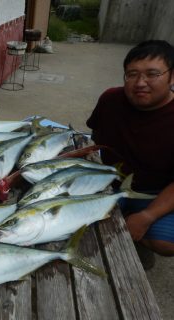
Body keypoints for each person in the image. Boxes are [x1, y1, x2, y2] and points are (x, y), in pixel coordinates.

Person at [87, 40, 174, 268]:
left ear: (172, 77)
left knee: (166, 242)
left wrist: (147, 217)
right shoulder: (110, 99)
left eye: (152, 74)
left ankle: (137, 237)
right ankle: (125, 228)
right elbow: (95, 138)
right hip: (106, 181)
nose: (140, 83)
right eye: (132, 74)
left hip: (152, 193)